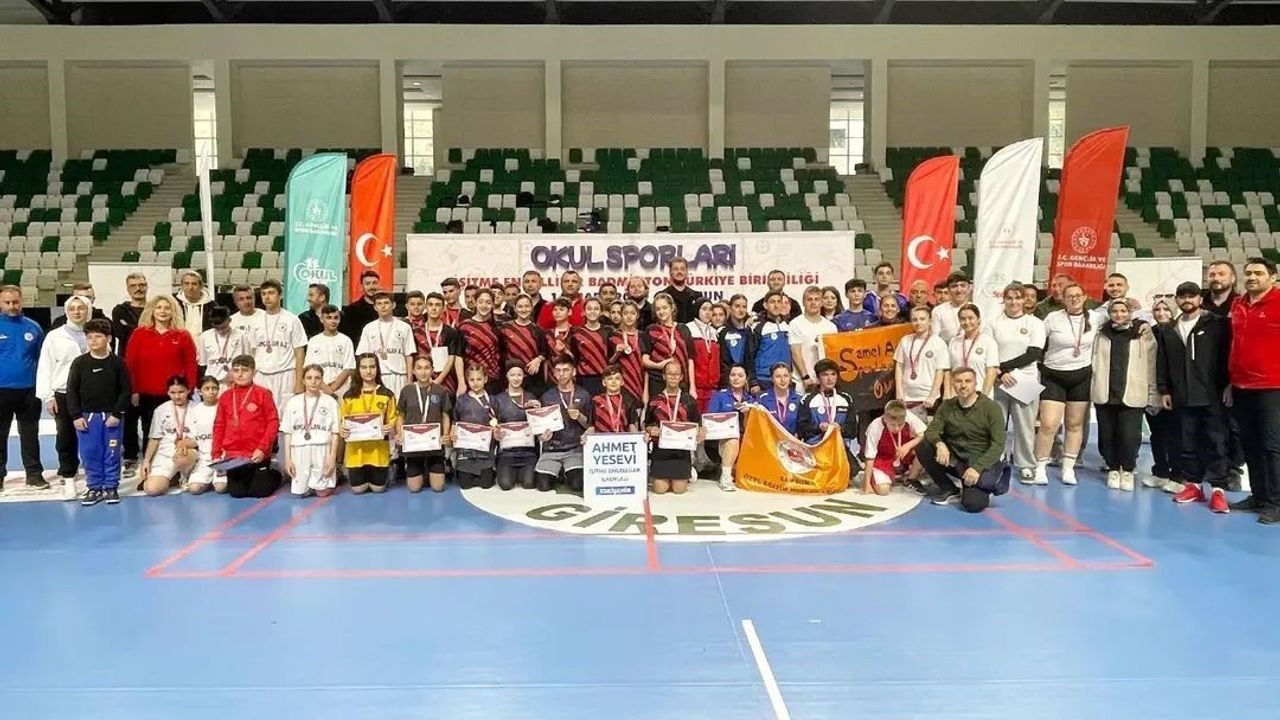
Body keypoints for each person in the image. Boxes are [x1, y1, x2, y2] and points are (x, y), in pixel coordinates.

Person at [1156, 284, 1231, 510]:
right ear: (1177, 300)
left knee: (1216, 442)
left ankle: (1218, 490)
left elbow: (1228, 355)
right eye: (1182, 296)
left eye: (1191, 296)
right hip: (1182, 395)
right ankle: (1194, 486)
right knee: (1186, 442)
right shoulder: (1169, 329)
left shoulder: (1217, 324)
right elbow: (1163, 361)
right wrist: (1164, 389)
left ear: (1200, 298)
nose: (1187, 300)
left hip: (1211, 395)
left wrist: (1229, 384)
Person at [1226, 257, 1280, 523]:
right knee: (1250, 444)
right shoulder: (1238, 304)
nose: (1252, 277)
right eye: (1248, 273)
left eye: (1258, 273)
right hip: (1241, 386)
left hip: (1272, 387)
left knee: (1272, 446)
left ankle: (1276, 502)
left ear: (1273, 277)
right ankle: (1258, 495)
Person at [124, 295, 198, 481]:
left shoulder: (182, 335)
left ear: (173, 311)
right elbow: (130, 364)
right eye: (159, 307)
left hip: (174, 394)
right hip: (146, 393)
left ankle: (176, 469)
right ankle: (150, 470)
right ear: (152, 310)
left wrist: (189, 389)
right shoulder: (139, 334)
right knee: (150, 432)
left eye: (167, 307)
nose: (163, 311)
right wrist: (133, 390)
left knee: (177, 431)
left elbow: (191, 364)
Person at [1033, 283, 1098, 486]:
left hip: (1081, 376)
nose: (1074, 299)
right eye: (1069, 296)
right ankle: (1040, 467)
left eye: (1078, 295)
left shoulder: (1095, 317)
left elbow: (1120, 314)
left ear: (1085, 297)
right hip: (1054, 375)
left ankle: (1068, 468)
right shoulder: (1053, 318)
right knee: (1048, 424)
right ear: (1063, 299)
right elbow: (1035, 341)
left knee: (1075, 424)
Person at [917, 367, 1008, 511]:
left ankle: (977, 484)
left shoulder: (991, 408)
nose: (963, 385)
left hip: (979, 460)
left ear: (975, 384)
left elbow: (998, 444)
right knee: (924, 447)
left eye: (968, 381)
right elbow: (931, 431)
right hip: (956, 459)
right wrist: (940, 444)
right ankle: (949, 488)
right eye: (959, 381)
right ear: (953, 384)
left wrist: (977, 468)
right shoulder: (947, 406)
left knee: (973, 505)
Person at [1091, 299, 1159, 491]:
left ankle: (1128, 469)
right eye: (1115, 311)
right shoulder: (1101, 334)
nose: (1119, 315)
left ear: (1130, 313)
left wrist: (1152, 393)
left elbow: (1151, 364)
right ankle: (1113, 468)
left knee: (1130, 436)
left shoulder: (1142, 333)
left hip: (1133, 393)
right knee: (1107, 436)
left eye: (1123, 311)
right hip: (1105, 393)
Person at [65, 318, 130, 505]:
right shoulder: (80, 363)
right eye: (90, 337)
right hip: (87, 417)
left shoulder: (118, 363)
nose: (93, 340)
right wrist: (76, 416)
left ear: (108, 338)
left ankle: (111, 486)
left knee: (112, 452)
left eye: (98, 336)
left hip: (112, 417)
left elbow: (125, 390)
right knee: (89, 452)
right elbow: (71, 391)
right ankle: (94, 487)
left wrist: (117, 414)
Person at [987, 283, 1046, 484]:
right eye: (1009, 298)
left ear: (1024, 300)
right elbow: (989, 350)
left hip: (1025, 379)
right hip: (998, 380)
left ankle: (1026, 465)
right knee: (996, 425)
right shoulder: (993, 322)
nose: (1013, 302)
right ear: (1003, 299)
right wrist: (1000, 372)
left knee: (1025, 426)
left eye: (1018, 298)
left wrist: (1005, 369)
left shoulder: (1035, 323)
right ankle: (995, 460)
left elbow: (1033, 353)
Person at [36, 295, 91, 485]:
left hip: (91, 393)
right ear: (66, 312)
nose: (77, 312)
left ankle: (94, 470)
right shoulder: (54, 336)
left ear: (88, 310)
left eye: (81, 308)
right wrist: (48, 397)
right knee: (66, 436)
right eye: (72, 308)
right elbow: (45, 366)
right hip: (63, 393)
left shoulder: (96, 332)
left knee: (92, 434)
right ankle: (68, 471)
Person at [212, 355, 282, 499]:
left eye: (245, 370)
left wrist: (262, 449)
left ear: (253, 372)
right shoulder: (225, 396)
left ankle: (276, 473)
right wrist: (216, 455)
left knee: (260, 492)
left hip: (257, 453)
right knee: (237, 493)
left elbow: (273, 422)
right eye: (236, 370)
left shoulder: (263, 394)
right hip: (234, 456)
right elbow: (219, 426)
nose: (240, 374)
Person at [0, 285, 45, 490]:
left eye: (15, 302)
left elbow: (42, 358)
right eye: (7, 302)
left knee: (30, 434)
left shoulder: (34, 327)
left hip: (29, 390)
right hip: (1, 389)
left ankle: (34, 475)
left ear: (21, 301)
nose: (12, 305)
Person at [338, 353, 398, 495]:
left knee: (378, 489)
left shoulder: (387, 394)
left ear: (377, 369)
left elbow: (393, 419)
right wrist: (343, 430)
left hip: (378, 451)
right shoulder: (349, 396)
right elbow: (342, 422)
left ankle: (389, 467)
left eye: (372, 367)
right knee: (358, 490)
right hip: (356, 452)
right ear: (358, 370)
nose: (368, 371)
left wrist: (390, 426)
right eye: (364, 367)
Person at [248, 279, 308, 414]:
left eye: (271, 293)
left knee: (286, 415)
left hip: (285, 375)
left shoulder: (292, 320)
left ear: (280, 295)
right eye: (263, 294)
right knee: (260, 414)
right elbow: (253, 351)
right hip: (261, 375)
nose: (267, 297)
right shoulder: (255, 321)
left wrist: (299, 381)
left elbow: (299, 352)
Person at [645, 360, 704, 495]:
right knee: (660, 490)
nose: (673, 377)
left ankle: (689, 470)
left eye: (676, 374)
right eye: (670, 374)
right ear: (664, 376)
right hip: (661, 451)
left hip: (681, 451)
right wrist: (651, 430)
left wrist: (700, 432)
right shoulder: (655, 400)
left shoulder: (688, 400)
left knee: (679, 490)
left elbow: (697, 424)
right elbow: (647, 423)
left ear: (681, 377)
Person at [396, 354, 453, 493]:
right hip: (414, 445)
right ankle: (422, 472)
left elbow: (445, 415)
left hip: (434, 445)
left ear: (432, 370)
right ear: (413, 370)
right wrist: (399, 433)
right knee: (414, 488)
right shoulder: (407, 390)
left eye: (427, 368)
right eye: (419, 368)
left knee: (438, 487)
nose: (423, 372)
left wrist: (446, 434)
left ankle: (430, 471)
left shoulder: (440, 390)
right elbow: (400, 416)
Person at [281, 365, 340, 498]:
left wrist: (332, 458)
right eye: (309, 378)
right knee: (299, 493)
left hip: (322, 448)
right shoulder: (293, 402)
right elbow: (288, 432)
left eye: (317, 378)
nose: (313, 381)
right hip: (299, 449)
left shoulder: (330, 402)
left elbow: (335, 433)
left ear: (322, 380)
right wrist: (288, 459)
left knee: (322, 492)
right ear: (303, 380)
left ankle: (321, 483)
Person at [536, 355, 592, 492]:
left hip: (574, 450)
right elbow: (541, 429)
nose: (561, 374)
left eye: (566, 370)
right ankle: (559, 471)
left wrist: (579, 416)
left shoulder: (584, 395)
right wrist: (542, 436)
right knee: (543, 486)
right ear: (554, 373)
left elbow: (590, 426)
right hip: (552, 449)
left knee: (578, 485)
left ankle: (566, 471)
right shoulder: (547, 396)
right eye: (558, 370)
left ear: (574, 372)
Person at [139, 375, 202, 497]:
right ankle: (173, 476)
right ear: (167, 392)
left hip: (188, 453)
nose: (177, 396)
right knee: (151, 489)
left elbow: (205, 437)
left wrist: (189, 443)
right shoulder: (161, 410)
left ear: (188, 390)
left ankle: (185, 475)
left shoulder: (198, 408)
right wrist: (146, 461)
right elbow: (154, 438)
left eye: (181, 392)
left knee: (182, 458)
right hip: (166, 454)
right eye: (173, 393)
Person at [797, 359, 859, 474]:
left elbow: (853, 430)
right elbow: (801, 429)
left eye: (833, 374)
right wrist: (819, 427)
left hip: (839, 449)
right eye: (825, 375)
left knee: (854, 473)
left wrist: (841, 428)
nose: (830, 379)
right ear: (818, 378)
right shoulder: (807, 400)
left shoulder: (846, 399)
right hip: (816, 449)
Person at [1146, 298, 1182, 493]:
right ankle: (1160, 471)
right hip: (1152, 390)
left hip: (1174, 391)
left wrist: (1168, 389)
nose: (1161, 313)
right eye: (1157, 309)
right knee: (1157, 434)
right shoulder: (1149, 333)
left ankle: (1178, 475)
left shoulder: (1178, 332)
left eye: (1165, 309)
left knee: (1175, 435)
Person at [356, 291, 415, 399]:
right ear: (375, 307)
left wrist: (409, 379)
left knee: (398, 408)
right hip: (377, 378)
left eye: (386, 303)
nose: (383, 306)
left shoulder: (404, 327)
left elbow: (409, 355)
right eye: (379, 303)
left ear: (393, 305)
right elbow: (363, 356)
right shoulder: (368, 328)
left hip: (399, 376)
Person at [706, 364, 754, 492]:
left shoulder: (751, 400)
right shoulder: (719, 396)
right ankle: (725, 478)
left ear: (746, 379)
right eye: (733, 375)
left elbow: (754, 426)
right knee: (733, 439)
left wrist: (748, 414)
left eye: (740, 375)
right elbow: (710, 421)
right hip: (722, 439)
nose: (736, 378)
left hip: (746, 439)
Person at [894, 306, 949, 420]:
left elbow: (940, 371)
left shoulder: (938, 343)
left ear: (930, 321)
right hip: (906, 397)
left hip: (927, 398)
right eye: (915, 319)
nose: (918, 322)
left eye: (922, 319)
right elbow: (899, 366)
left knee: (926, 430)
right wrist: (899, 391)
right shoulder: (905, 341)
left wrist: (932, 396)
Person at [863, 400, 927, 496]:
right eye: (893, 425)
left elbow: (925, 434)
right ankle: (878, 477)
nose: (897, 428)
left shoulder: (908, 416)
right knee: (883, 490)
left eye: (900, 425)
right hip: (883, 459)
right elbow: (870, 457)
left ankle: (910, 479)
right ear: (885, 419)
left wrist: (908, 445)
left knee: (925, 446)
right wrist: (867, 484)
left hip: (903, 456)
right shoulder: (875, 427)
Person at [492, 361, 538, 491]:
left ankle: (522, 473)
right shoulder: (498, 399)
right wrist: (495, 433)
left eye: (519, 375)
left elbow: (537, 424)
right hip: (507, 452)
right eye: (512, 375)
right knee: (505, 485)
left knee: (528, 484)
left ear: (524, 376)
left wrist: (538, 411)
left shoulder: (531, 398)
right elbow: (493, 423)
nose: (516, 378)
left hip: (528, 452)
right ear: (507, 376)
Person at [641, 293, 696, 401]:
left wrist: (692, 387)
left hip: (681, 381)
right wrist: (659, 365)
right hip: (658, 381)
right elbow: (644, 361)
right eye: (658, 309)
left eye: (664, 308)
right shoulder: (651, 330)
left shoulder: (683, 329)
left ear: (672, 308)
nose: (661, 312)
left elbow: (690, 359)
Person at [452, 364, 498, 489]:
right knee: (465, 485)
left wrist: (496, 430)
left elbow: (497, 422)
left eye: (479, 379)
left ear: (485, 379)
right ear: (467, 380)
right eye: (472, 380)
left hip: (485, 451)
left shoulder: (492, 400)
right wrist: (453, 434)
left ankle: (488, 471)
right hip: (466, 451)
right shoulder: (462, 400)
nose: (476, 383)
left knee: (486, 485)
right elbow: (455, 421)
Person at [790, 286, 839, 394]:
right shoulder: (795, 324)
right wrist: (805, 377)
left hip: (825, 383)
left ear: (821, 302)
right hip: (802, 381)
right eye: (809, 299)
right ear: (803, 302)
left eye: (817, 299)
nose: (813, 303)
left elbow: (833, 356)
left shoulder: (831, 327)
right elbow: (796, 353)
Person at [500, 293, 549, 398]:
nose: (524, 309)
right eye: (520, 306)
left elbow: (545, 352)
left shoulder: (538, 330)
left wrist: (538, 359)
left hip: (532, 379)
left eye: (527, 306)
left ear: (531, 308)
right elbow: (500, 352)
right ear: (515, 308)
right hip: (511, 378)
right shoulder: (505, 328)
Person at [946, 303, 998, 398]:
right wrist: (949, 395)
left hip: (979, 394)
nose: (967, 322)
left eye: (971, 318)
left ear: (978, 319)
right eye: (963, 319)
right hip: (957, 396)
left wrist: (983, 398)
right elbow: (950, 371)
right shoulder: (954, 341)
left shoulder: (988, 342)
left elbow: (991, 373)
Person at [415, 292, 463, 393]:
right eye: (430, 304)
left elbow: (451, 358)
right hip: (421, 382)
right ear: (426, 307)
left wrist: (439, 380)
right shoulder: (416, 332)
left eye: (437, 305)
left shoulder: (451, 332)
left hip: (447, 385)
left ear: (443, 308)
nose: (434, 308)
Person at [303, 305, 356, 396]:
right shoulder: (314, 341)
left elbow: (349, 368)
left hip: (341, 390)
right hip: (319, 388)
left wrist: (333, 388)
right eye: (328, 318)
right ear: (321, 319)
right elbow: (309, 367)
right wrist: (325, 389)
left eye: (336, 318)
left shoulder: (346, 341)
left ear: (339, 319)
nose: (333, 321)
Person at [184, 376, 224, 495]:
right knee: (194, 489)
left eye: (214, 388)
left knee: (221, 488)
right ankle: (206, 477)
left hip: (223, 457)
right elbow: (191, 438)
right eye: (207, 388)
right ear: (199, 391)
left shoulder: (224, 407)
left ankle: (218, 479)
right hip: (204, 458)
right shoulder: (194, 411)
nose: (211, 391)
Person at [196, 305, 251, 387]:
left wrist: (235, 372)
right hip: (212, 382)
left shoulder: (241, 336)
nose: (221, 330)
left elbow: (248, 361)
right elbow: (203, 364)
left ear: (229, 320)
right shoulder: (204, 337)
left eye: (224, 327)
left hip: (235, 381)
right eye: (217, 328)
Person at [750, 291, 792, 395]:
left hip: (784, 378)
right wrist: (753, 381)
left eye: (779, 301)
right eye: (772, 302)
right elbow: (750, 356)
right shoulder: (758, 327)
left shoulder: (788, 326)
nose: (776, 305)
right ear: (765, 305)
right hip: (764, 380)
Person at [570, 297, 612, 396]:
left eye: (596, 309)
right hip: (583, 378)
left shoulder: (609, 331)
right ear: (584, 312)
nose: (592, 312)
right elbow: (575, 358)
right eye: (589, 309)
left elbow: (611, 356)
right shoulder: (576, 333)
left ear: (601, 312)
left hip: (604, 377)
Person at [608, 300, 646, 403]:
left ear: (637, 315)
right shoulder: (614, 335)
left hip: (640, 381)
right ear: (621, 315)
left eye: (632, 313)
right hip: (621, 382)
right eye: (625, 313)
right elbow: (609, 362)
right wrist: (617, 353)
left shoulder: (643, 336)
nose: (629, 317)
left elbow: (646, 365)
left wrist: (646, 389)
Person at [686, 299, 721, 412]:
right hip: (696, 387)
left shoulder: (714, 332)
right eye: (704, 309)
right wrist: (691, 386)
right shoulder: (688, 329)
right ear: (697, 310)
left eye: (710, 309)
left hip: (713, 388)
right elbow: (688, 359)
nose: (708, 312)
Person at [719, 294, 757, 390]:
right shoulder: (722, 332)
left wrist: (752, 381)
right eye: (737, 306)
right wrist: (726, 382)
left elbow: (751, 359)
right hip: (728, 382)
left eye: (744, 307)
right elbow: (722, 361)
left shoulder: (750, 331)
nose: (741, 310)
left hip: (746, 383)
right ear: (730, 308)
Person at [111, 271, 148, 356]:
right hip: (127, 356)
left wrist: (130, 327)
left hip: (151, 355)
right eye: (133, 286)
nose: (138, 289)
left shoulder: (155, 309)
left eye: (141, 285)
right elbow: (120, 334)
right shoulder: (119, 311)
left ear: (147, 287)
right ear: (128, 289)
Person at [758, 363, 802, 435]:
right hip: (770, 439)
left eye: (786, 376)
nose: (783, 380)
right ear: (772, 379)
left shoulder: (799, 399)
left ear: (790, 377)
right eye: (778, 376)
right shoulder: (762, 399)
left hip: (793, 440)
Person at [340, 270, 381, 344]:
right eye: (367, 283)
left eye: (374, 283)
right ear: (362, 286)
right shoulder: (352, 310)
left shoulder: (385, 308)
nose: (371, 287)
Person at [931, 273, 973, 344]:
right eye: (954, 286)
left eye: (963, 286)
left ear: (969, 289)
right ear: (949, 290)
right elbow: (934, 340)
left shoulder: (978, 309)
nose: (959, 290)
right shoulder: (938, 311)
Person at [661, 256, 704, 323]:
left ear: (687, 272)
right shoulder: (662, 296)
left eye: (682, 269)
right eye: (675, 269)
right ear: (670, 272)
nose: (679, 272)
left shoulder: (697, 296)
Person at [174, 270, 215, 336]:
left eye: (194, 284)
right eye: (186, 283)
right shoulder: (174, 304)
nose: (190, 287)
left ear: (201, 286)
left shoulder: (212, 306)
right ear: (181, 286)